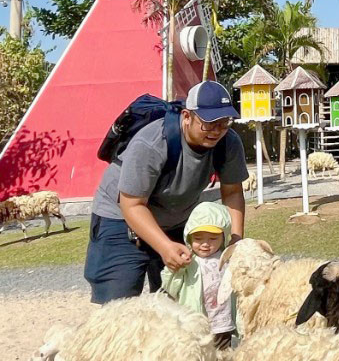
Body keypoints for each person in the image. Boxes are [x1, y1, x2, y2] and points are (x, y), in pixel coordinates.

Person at [84, 80, 249, 304]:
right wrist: (164, 246)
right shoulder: (152, 143)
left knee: (178, 302)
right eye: (209, 123)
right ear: (187, 116)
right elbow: (132, 204)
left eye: (225, 122)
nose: (217, 130)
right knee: (118, 306)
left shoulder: (228, 142)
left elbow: (232, 192)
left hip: (174, 220)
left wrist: (236, 241)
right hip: (121, 218)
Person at [160, 201, 237, 349]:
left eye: (213, 239)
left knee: (223, 356)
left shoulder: (227, 259)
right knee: (197, 356)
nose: (205, 244)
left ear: (223, 236)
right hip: (195, 323)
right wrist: (175, 269)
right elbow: (169, 287)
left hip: (223, 322)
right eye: (198, 239)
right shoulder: (189, 262)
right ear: (189, 238)